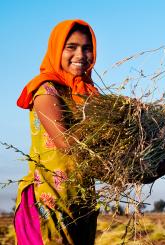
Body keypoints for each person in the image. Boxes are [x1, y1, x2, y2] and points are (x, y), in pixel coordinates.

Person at [15, 19, 99, 245]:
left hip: (81, 203)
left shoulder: (87, 96)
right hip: (48, 201)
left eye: (87, 47)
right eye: (71, 47)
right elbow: (66, 143)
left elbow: (99, 156)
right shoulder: (45, 89)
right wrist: (109, 122)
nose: (80, 54)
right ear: (56, 48)